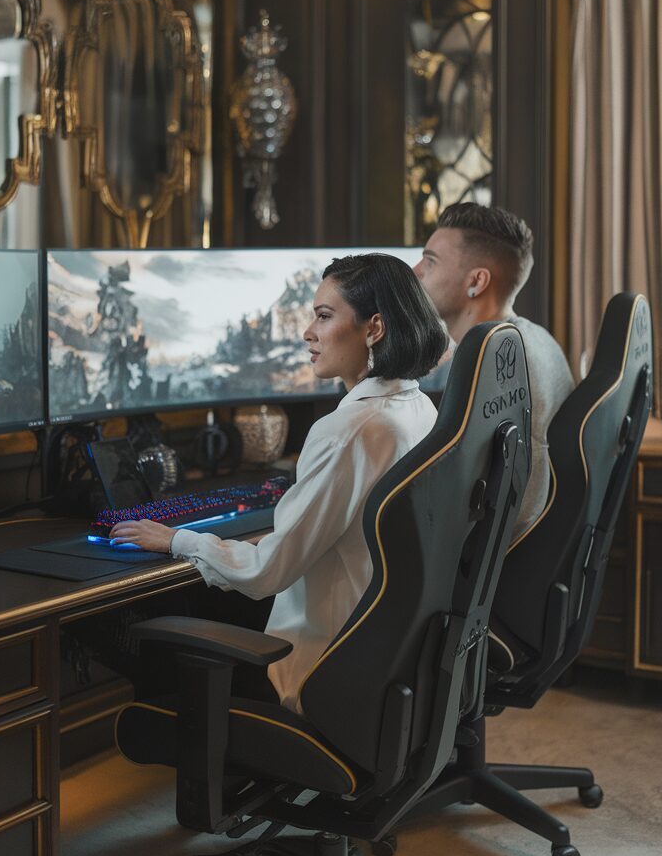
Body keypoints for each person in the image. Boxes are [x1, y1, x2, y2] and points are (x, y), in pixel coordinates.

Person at [110, 253, 447, 711]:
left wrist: (177, 539)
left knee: (124, 622)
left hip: (318, 667)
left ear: (374, 329)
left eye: (324, 317)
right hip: (386, 658)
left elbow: (268, 570)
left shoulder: (349, 431)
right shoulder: (420, 408)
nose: (307, 331)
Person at [415, 202, 575, 537]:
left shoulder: (497, 365)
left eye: (430, 261)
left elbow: (517, 513)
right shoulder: (536, 339)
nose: (416, 270)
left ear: (476, 281)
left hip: (491, 576)